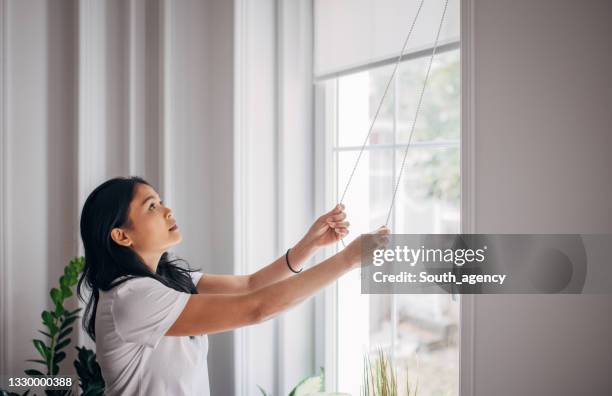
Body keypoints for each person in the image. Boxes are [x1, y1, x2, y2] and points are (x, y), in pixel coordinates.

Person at [77, 176, 390, 396]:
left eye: (160, 202)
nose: (167, 210)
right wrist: (348, 260)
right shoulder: (132, 298)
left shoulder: (168, 279)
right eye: (151, 207)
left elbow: (250, 285)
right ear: (121, 236)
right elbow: (256, 307)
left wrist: (311, 244)